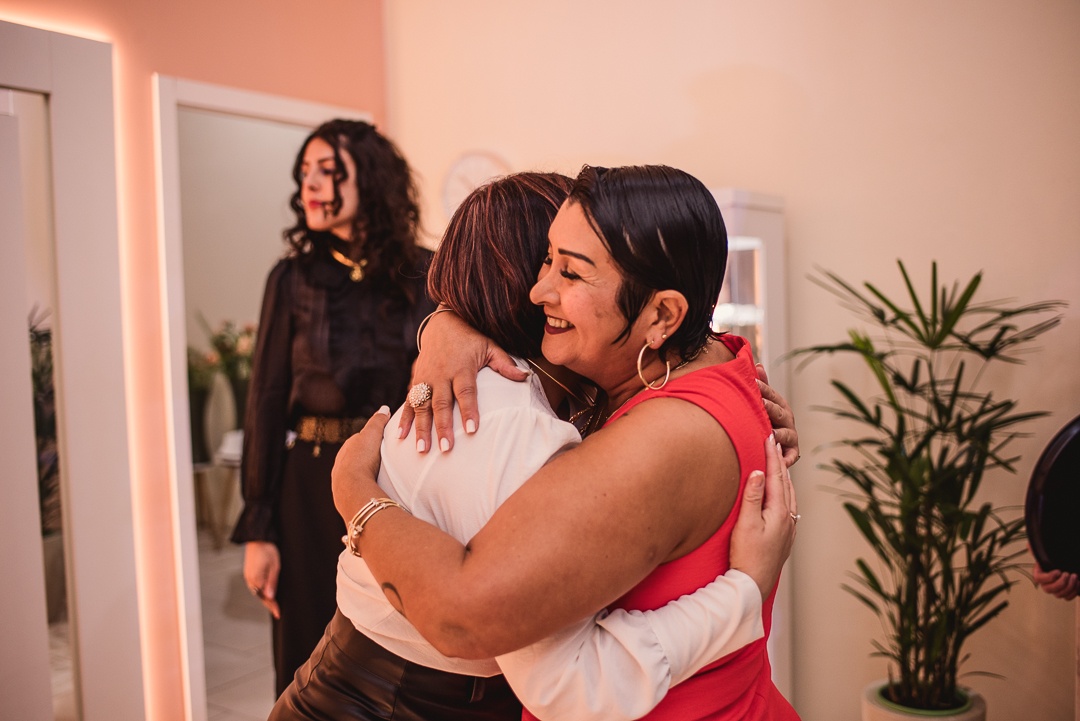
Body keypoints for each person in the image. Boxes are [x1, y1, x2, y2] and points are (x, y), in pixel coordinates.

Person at [269, 172, 798, 720]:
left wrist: (353, 490)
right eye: (546, 260)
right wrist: (446, 323)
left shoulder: (644, 425)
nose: (539, 290)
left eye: (569, 269)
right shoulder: (519, 407)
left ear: (663, 315)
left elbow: (511, 648)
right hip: (379, 699)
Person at [230, 119, 435, 695]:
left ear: (369, 178)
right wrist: (259, 529)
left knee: (396, 652)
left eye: (328, 171)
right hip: (308, 484)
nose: (310, 186)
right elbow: (265, 403)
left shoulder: (425, 272)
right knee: (307, 655)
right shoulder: (291, 279)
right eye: (304, 174)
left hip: (396, 480)